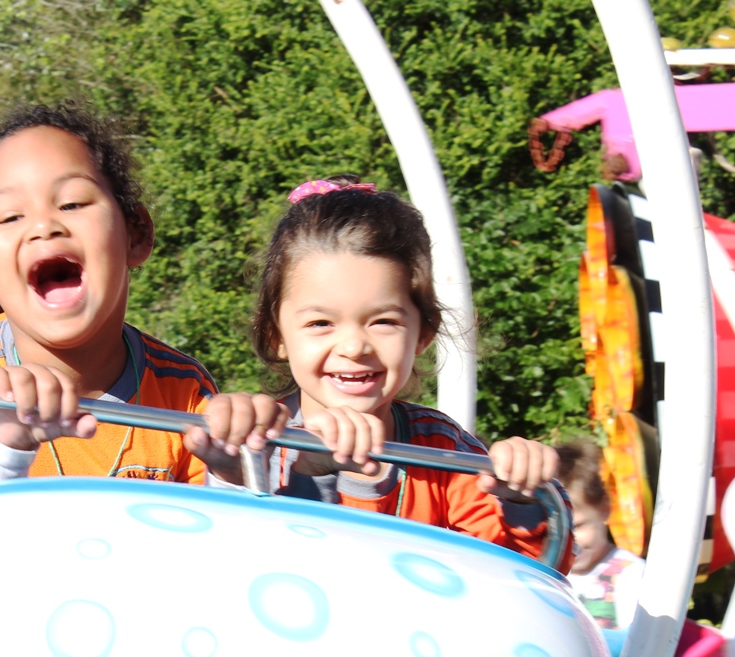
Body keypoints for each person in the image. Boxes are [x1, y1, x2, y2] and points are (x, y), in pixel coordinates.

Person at [0, 102, 283, 492]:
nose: (44, 226)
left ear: (137, 234)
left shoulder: (184, 388)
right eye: (11, 216)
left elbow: (222, 539)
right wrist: (5, 445)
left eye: (72, 203)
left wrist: (233, 472)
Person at [237, 175, 571, 567]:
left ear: (423, 335)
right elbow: (240, 563)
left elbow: (523, 577)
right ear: (276, 335)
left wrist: (523, 497)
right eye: (321, 323)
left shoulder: (441, 451)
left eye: (382, 322)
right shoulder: (257, 443)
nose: (353, 346)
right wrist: (312, 475)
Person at [556, 440, 645, 628]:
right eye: (554, 530)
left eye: (577, 526)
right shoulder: (550, 575)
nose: (568, 541)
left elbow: (640, 645)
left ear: (605, 508)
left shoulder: (630, 575)